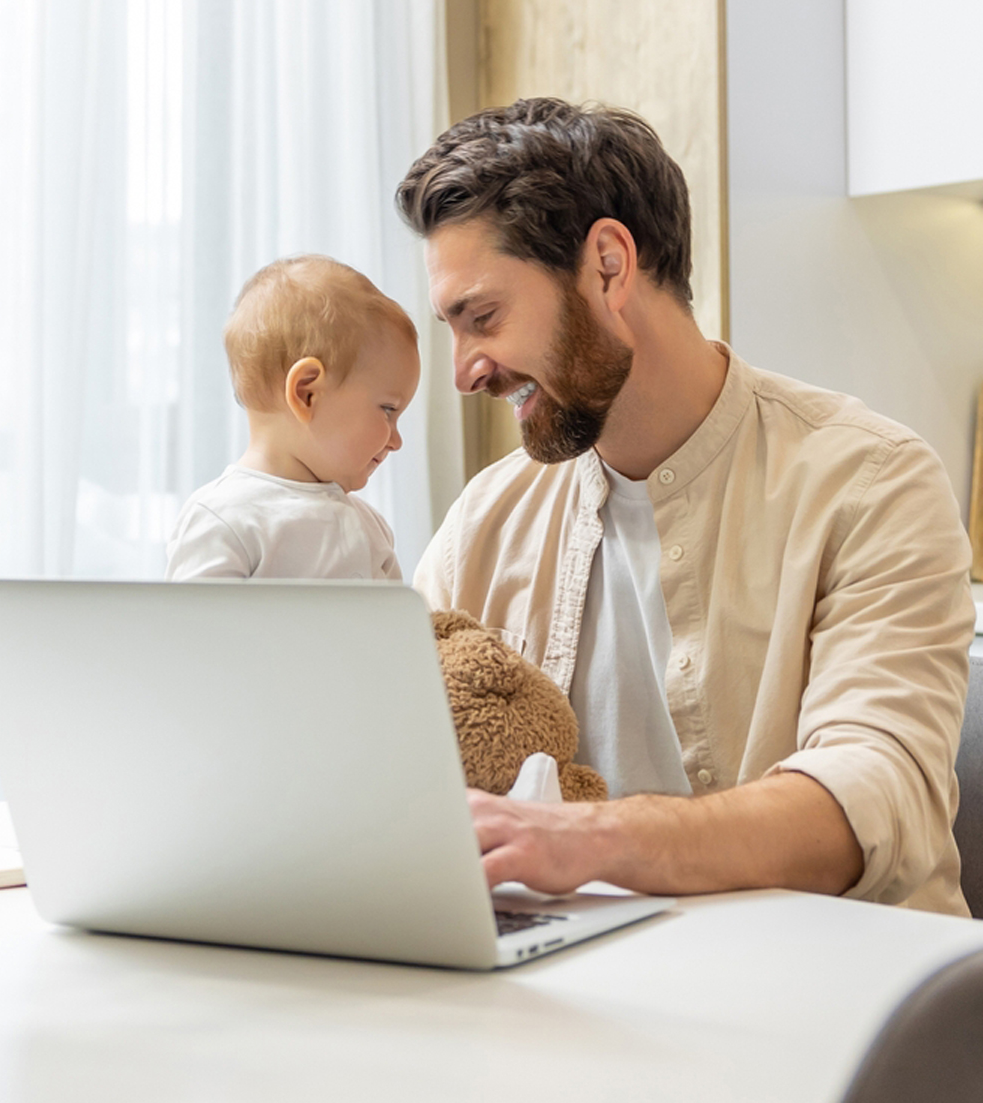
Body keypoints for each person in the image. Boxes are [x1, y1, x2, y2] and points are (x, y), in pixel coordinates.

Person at [396, 98, 976, 914]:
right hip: (579, 1001)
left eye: (482, 317)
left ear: (607, 264)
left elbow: (871, 797)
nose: (464, 372)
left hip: (850, 1005)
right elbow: (392, 764)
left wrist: (590, 840)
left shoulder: (872, 482)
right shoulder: (484, 523)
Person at [166, 255, 419, 581]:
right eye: (388, 410)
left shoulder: (370, 527)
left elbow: (400, 629)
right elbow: (192, 629)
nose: (396, 441)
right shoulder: (224, 519)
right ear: (306, 393)